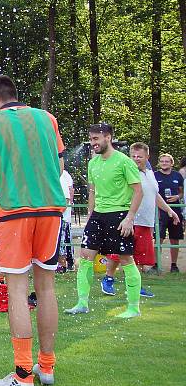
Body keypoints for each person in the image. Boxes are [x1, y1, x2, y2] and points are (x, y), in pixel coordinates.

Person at [0, 75, 66, 386]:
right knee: (47, 288)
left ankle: (23, 375)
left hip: (15, 211)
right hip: (51, 209)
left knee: (17, 292)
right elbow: (59, 164)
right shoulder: (46, 118)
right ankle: (47, 366)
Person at [65, 123, 143, 319]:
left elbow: (138, 191)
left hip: (119, 215)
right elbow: (92, 191)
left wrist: (129, 218)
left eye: (96, 139)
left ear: (108, 137)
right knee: (84, 257)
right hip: (98, 215)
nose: (93, 143)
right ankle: (82, 303)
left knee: (125, 259)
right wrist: (91, 215)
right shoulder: (93, 163)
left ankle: (133, 308)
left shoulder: (124, 161)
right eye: (91, 139)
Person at [102, 143, 180, 297]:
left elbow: (155, 195)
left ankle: (134, 286)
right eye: (133, 156)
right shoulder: (125, 171)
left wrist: (170, 211)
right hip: (128, 219)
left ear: (147, 157)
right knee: (118, 253)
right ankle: (108, 279)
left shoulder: (150, 173)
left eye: (140, 156)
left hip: (146, 221)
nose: (136, 159)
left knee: (138, 256)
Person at [155, 153, 183, 272]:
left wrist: (177, 196)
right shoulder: (155, 175)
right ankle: (156, 264)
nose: (164, 163)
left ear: (171, 163)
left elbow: (181, 192)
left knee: (175, 238)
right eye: (162, 161)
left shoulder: (177, 176)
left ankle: (174, 264)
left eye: (167, 161)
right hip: (160, 211)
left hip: (175, 210)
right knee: (158, 237)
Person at [57, 169, 75, 272]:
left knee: (63, 240)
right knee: (63, 240)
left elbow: (67, 197)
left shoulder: (62, 175)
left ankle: (64, 265)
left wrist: (60, 213)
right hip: (59, 215)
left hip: (62, 216)